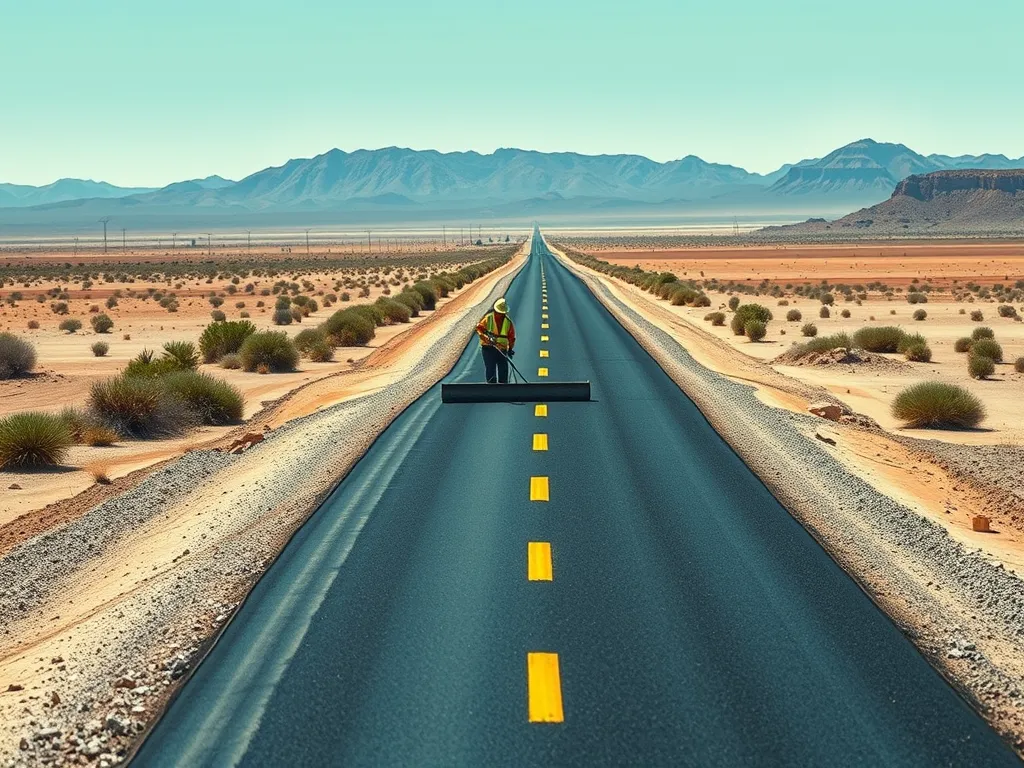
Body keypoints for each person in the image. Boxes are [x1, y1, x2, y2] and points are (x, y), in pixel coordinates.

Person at [476, 297, 516, 383]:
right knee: (490, 370)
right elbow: (479, 329)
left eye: (502, 313)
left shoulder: (508, 322)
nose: (501, 315)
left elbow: (511, 337)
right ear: (495, 311)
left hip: (502, 350)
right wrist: (484, 337)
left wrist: (510, 349)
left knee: (503, 371)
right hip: (488, 349)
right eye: (499, 313)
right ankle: (492, 390)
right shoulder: (488, 318)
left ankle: (503, 390)